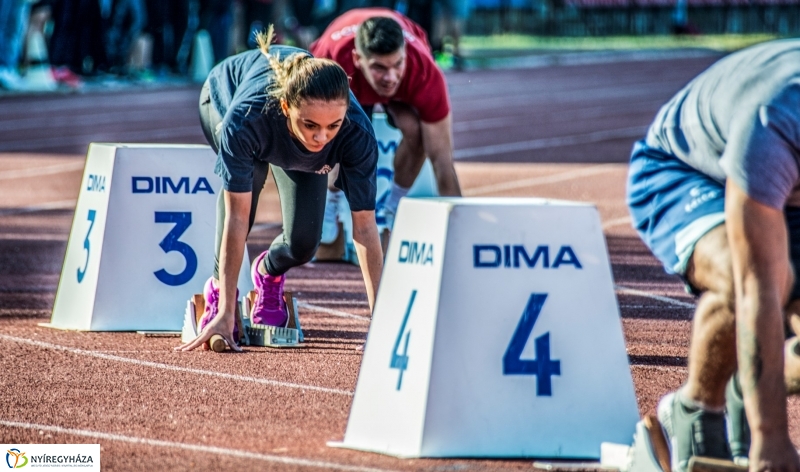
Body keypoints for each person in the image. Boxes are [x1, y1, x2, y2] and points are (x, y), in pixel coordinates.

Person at [626, 39, 800, 471]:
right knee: (756, 277)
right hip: (680, 171)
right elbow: (755, 283)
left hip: (785, 189)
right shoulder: (775, 119)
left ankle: (753, 381)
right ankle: (695, 412)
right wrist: (772, 440)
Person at [177, 26, 383, 352]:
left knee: (304, 244)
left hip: (278, 127)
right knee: (251, 180)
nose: (321, 138)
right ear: (287, 108)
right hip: (223, 97)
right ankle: (220, 290)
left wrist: (380, 322)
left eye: (334, 126)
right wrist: (228, 311)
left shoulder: (357, 134)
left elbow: (365, 228)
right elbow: (237, 218)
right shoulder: (246, 120)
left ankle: (268, 273)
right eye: (311, 125)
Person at [310, 8, 461, 242]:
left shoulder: (423, 71)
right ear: (358, 59)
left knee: (416, 131)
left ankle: (394, 208)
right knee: (338, 134)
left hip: (395, 81)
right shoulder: (331, 62)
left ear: (405, 54)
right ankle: (330, 202)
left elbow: (442, 161)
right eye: (380, 67)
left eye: (397, 64)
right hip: (349, 83)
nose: (390, 77)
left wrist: (461, 229)